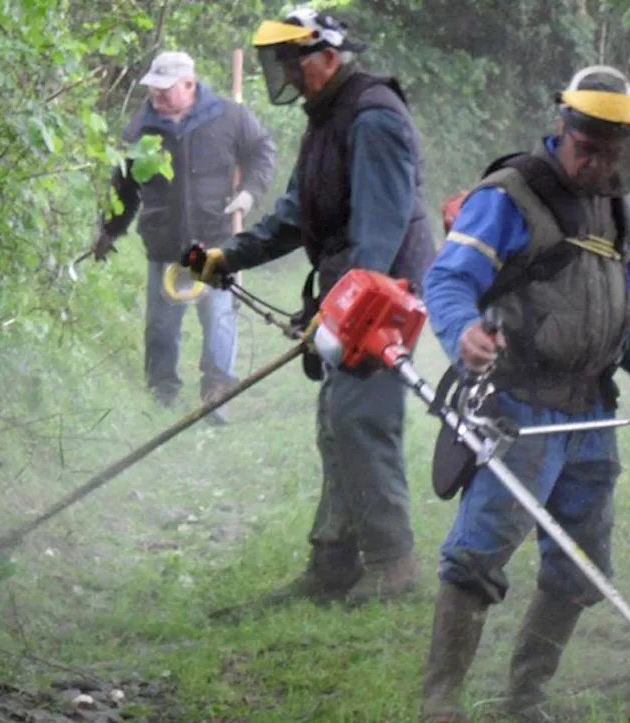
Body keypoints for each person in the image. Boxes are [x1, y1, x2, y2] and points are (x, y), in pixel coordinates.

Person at [417, 66, 630, 722]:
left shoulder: (623, 214)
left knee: (582, 565)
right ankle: (441, 702)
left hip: (592, 413)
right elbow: (448, 280)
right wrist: (463, 336)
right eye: (585, 147)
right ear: (561, 128)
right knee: (479, 553)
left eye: (611, 153)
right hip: (520, 406)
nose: (597, 164)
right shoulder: (510, 196)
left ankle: (524, 700)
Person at [191, 8, 436, 606]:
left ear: (329, 55)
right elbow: (297, 214)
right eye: (281, 66)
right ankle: (332, 565)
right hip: (351, 289)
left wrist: (343, 310)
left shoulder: (373, 117)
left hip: (383, 294)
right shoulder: (326, 119)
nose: (288, 77)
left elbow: (378, 234)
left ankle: (394, 565)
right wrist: (230, 257)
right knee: (338, 421)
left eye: (293, 63)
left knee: (360, 418)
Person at [93, 51, 277, 424]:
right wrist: (109, 230)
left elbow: (263, 152)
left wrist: (250, 192)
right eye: (153, 89)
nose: (156, 96)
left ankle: (217, 392)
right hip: (166, 241)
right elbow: (125, 188)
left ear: (190, 85)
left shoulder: (229, 116)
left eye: (165, 89)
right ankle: (161, 393)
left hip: (214, 240)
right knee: (162, 323)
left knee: (218, 315)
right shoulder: (141, 129)